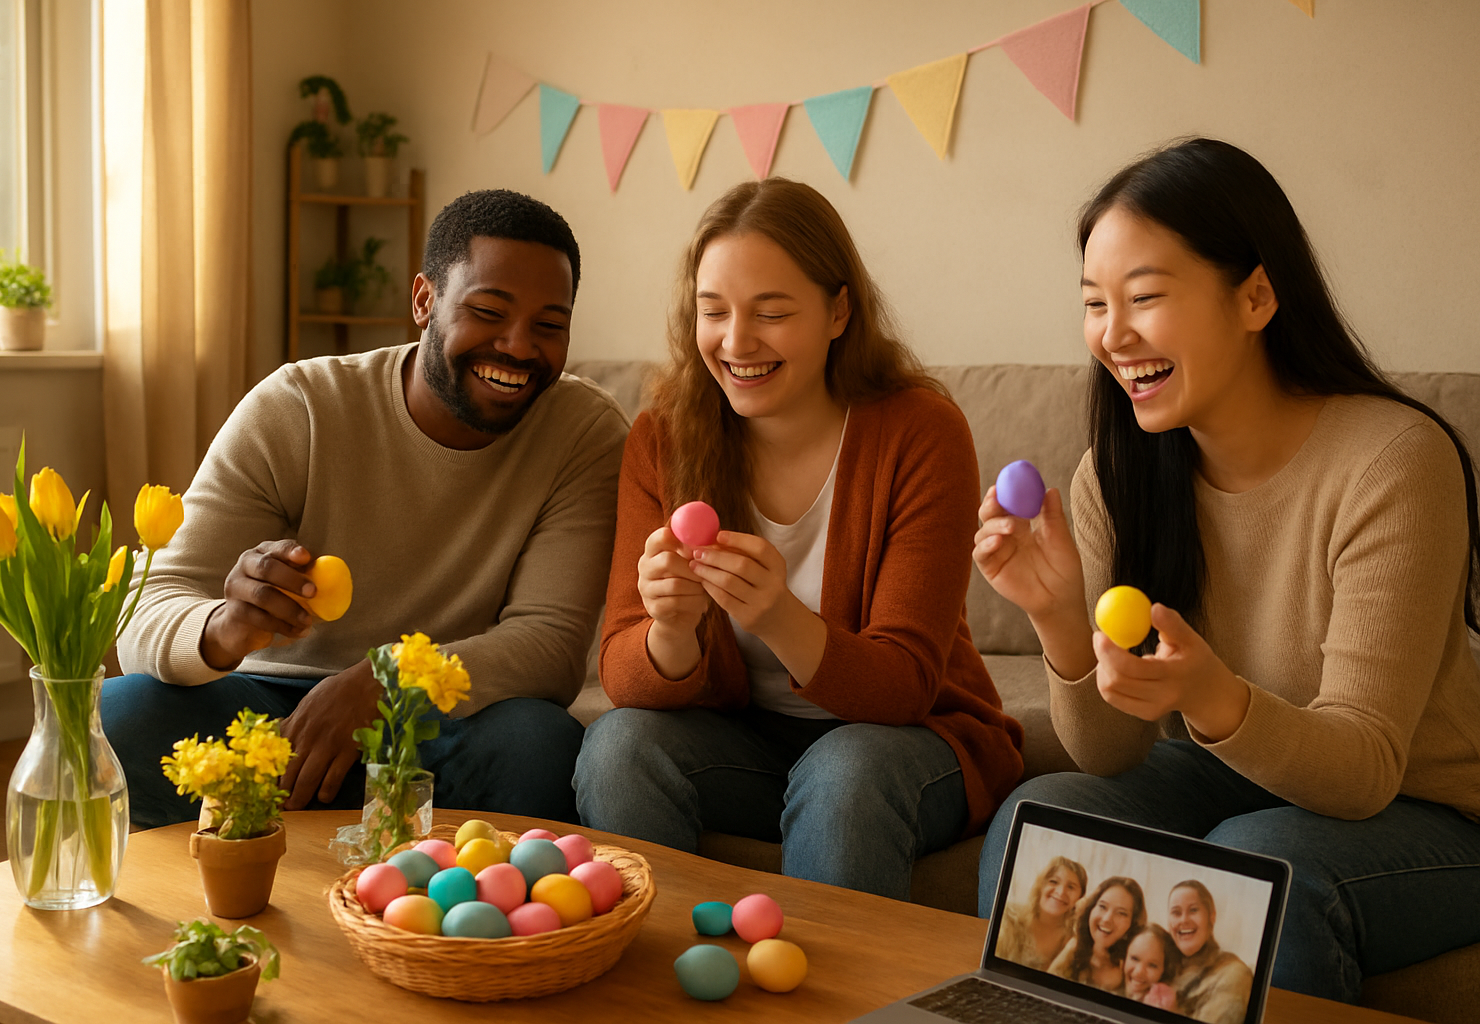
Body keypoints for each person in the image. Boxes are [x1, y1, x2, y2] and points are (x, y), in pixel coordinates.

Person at [973, 136, 1480, 1004]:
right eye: (1095, 303)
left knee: (1256, 862)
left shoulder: (1394, 461)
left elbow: (1363, 770)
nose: (1113, 334)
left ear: (1255, 295)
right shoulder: (1118, 472)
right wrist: (1060, 619)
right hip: (1232, 781)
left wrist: (1211, 695)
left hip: (1424, 810)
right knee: (1040, 820)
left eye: (1145, 297)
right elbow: (1107, 753)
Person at [105, 189, 629, 829]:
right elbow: (149, 606)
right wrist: (226, 626)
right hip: (276, 714)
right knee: (122, 712)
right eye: (488, 311)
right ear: (423, 301)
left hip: (441, 718)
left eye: (549, 325)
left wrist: (385, 681)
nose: (519, 347)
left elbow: (549, 646)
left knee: (538, 743)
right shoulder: (300, 406)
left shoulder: (583, 432)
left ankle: (420, 899)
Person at [572, 177, 1024, 898]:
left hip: (908, 740)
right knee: (618, 749)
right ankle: (655, 989)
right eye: (712, 311)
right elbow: (623, 676)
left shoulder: (919, 432)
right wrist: (671, 629)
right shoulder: (664, 438)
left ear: (839, 311)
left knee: (844, 771)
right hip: (745, 740)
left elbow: (907, 684)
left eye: (771, 313)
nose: (736, 341)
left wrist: (776, 615)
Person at [1166, 881, 1252, 1024]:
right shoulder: (1162, 965)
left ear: (1211, 917)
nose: (1184, 920)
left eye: (1193, 910)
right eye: (1176, 912)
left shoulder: (1233, 973)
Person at [1048, 876, 1146, 993]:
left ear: (1133, 924)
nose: (1106, 919)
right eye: (1102, 906)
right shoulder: (1072, 949)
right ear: (1091, 909)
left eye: (1121, 913)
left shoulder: (1134, 971)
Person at [994, 855, 1088, 971]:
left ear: (1080, 897)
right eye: (1053, 882)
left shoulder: (1077, 938)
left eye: (1071, 887)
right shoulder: (1009, 917)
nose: (1060, 892)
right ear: (1041, 885)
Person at [1124, 923, 1183, 1011]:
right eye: (1134, 958)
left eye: (1152, 965)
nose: (1139, 971)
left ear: (1164, 970)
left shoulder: (1168, 1005)